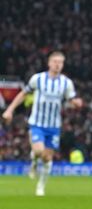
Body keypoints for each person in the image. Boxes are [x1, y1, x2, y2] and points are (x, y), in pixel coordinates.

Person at [2, 51, 83, 196]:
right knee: (39, 151)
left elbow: (72, 99)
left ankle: (41, 186)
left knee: (47, 157)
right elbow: (23, 93)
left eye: (61, 62)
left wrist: (77, 102)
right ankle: (34, 160)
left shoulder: (66, 83)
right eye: (55, 61)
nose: (58, 65)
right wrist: (10, 110)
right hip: (37, 123)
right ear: (49, 63)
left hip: (53, 126)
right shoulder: (37, 79)